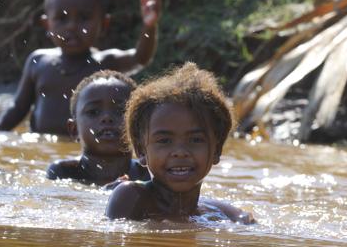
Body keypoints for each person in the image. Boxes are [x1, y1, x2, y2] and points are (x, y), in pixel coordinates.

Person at [0, 0, 165, 135]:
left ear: (104, 24)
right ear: (47, 24)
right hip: (40, 144)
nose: (72, 26)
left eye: (84, 18)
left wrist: (149, 26)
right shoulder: (38, 61)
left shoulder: (105, 62)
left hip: (86, 152)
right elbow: (18, 108)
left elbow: (140, 58)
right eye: (62, 18)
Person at [106, 63, 254, 224]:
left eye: (195, 140)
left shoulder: (222, 214)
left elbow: (248, 224)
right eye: (165, 141)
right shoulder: (130, 197)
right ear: (141, 151)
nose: (180, 152)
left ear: (217, 150)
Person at [46, 70, 149, 185]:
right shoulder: (63, 172)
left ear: (139, 127)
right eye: (93, 112)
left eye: (121, 111)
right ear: (74, 130)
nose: (107, 118)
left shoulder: (147, 174)